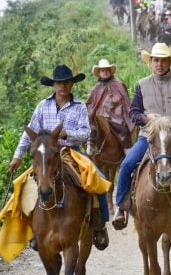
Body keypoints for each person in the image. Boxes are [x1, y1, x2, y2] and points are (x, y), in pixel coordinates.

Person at [10, 64, 110, 251]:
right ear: (54, 85)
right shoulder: (43, 106)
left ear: (72, 84)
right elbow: (29, 133)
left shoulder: (79, 106)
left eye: (66, 83)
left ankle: (99, 225)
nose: (63, 86)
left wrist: (66, 134)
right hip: (45, 154)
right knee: (23, 186)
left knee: (99, 180)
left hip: (71, 151)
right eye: (59, 83)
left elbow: (85, 133)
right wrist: (17, 156)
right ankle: (32, 229)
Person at [112, 43, 171, 238]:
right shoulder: (142, 84)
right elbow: (133, 112)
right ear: (150, 63)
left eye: (163, 60)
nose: (159, 64)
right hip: (149, 138)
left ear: (170, 62)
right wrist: (146, 119)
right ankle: (121, 207)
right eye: (156, 60)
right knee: (127, 165)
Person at [86, 59, 134, 149]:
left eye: (107, 70)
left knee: (122, 128)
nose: (105, 72)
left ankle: (126, 150)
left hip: (117, 115)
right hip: (99, 116)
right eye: (102, 70)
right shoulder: (96, 88)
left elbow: (125, 102)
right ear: (99, 72)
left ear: (110, 71)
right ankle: (91, 149)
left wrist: (114, 107)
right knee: (91, 128)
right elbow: (90, 105)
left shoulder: (118, 84)